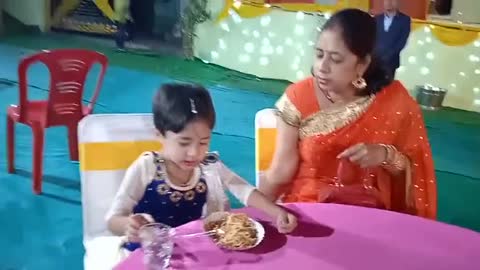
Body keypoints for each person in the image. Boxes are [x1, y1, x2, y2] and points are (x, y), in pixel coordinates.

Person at [259, 9, 437, 219]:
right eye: (319, 54)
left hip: (368, 214)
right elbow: (281, 170)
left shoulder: (395, 101)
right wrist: (253, 211)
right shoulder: (298, 96)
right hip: (308, 211)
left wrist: (385, 155)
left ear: (362, 64)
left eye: (335, 59)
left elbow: (411, 172)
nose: (322, 68)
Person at [106, 83, 297, 253]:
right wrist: (129, 225)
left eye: (203, 142)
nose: (194, 153)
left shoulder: (208, 165)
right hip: (150, 254)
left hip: (192, 251)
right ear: (160, 135)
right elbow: (113, 221)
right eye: (184, 142)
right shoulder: (146, 167)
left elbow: (244, 190)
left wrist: (276, 212)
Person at [374, 0, 411, 78]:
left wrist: (387, 56)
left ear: (398, 2)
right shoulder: (376, 19)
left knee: (388, 87)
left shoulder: (405, 20)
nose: (388, 2)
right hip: (374, 61)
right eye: (386, 0)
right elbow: (371, 38)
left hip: (391, 62)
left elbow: (402, 42)